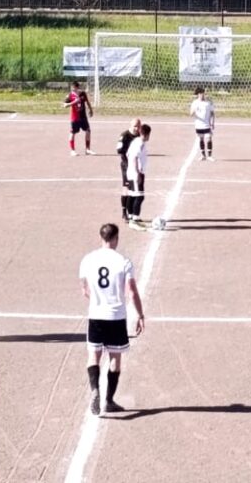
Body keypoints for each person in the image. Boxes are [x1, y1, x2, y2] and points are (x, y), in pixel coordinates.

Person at [78, 223, 145, 416]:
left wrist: (99, 300)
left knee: (94, 356)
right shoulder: (123, 262)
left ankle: (95, 390)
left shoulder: (87, 260)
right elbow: (131, 292)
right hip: (116, 316)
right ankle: (108, 400)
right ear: (116, 238)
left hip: (96, 315)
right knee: (115, 359)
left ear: (101, 238)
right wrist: (140, 315)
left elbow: (85, 291)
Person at [116, 120, 143, 220]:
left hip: (136, 166)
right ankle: (124, 212)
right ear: (131, 125)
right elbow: (119, 151)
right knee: (127, 188)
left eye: (138, 126)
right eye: (135, 126)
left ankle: (131, 212)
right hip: (126, 166)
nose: (137, 128)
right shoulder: (124, 136)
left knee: (134, 189)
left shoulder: (139, 135)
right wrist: (128, 163)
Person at [126, 124, 151, 227]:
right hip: (136, 173)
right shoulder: (139, 143)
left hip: (131, 172)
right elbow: (135, 157)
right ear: (147, 134)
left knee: (132, 194)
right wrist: (137, 173)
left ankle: (130, 216)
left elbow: (128, 154)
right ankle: (135, 219)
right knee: (140, 196)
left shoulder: (135, 141)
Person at [63, 81, 94, 155]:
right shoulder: (70, 95)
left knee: (88, 131)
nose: (73, 90)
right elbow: (65, 105)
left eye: (74, 88)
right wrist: (74, 102)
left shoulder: (83, 93)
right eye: (72, 88)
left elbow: (87, 102)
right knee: (73, 132)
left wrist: (90, 110)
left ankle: (87, 149)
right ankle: (72, 150)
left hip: (83, 116)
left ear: (77, 87)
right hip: (75, 117)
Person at [190, 87, 215, 160]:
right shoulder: (195, 103)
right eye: (200, 94)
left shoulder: (208, 102)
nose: (202, 95)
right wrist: (194, 111)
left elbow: (212, 113)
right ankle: (203, 155)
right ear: (198, 94)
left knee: (209, 138)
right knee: (201, 139)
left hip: (207, 124)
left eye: (203, 93)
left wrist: (212, 123)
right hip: (199, 125)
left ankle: (209, 156)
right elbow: (191, 113)